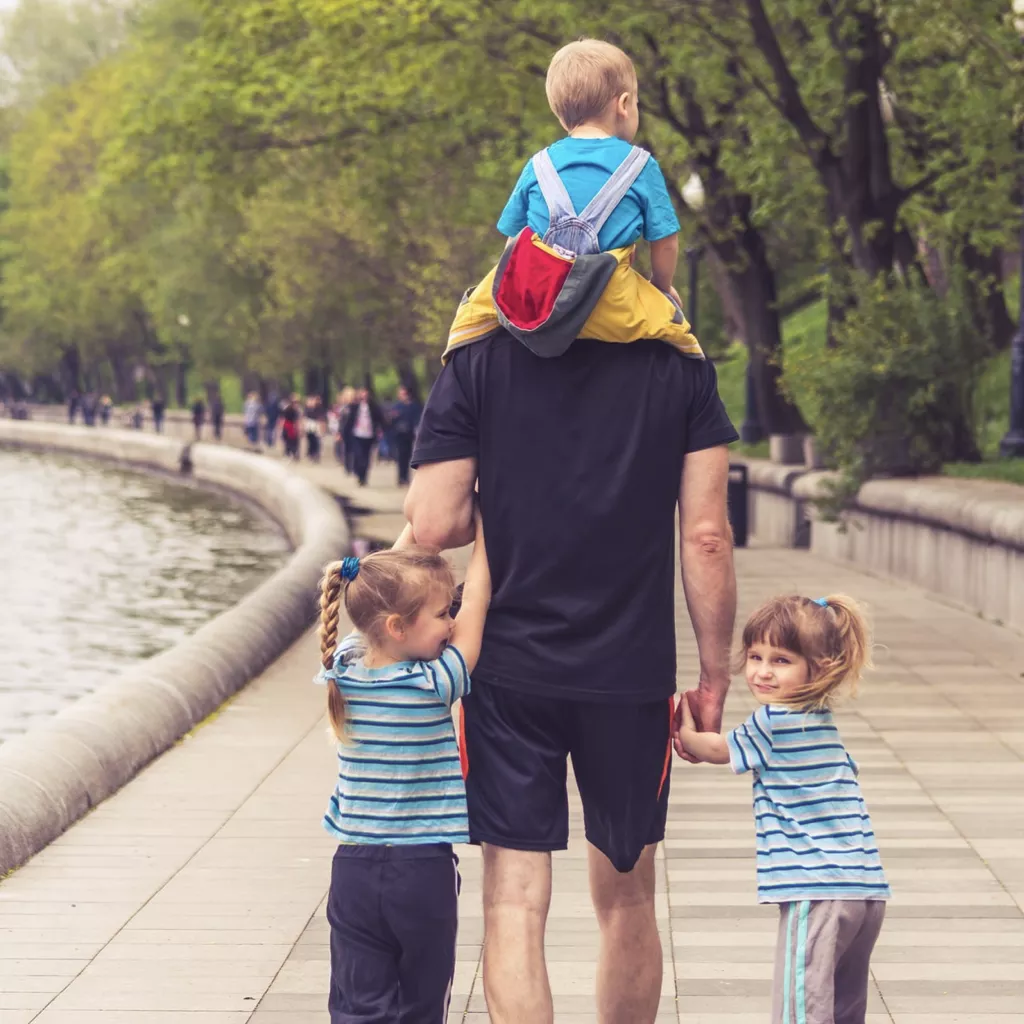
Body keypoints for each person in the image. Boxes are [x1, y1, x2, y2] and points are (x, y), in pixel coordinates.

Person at [405, 294, 738, 1018]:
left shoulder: (479, 355)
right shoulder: (677, 361)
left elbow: (433, 521)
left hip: (506, 670)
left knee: (515, 901)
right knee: (627, 896)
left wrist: (502, 495)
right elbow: (706, 535)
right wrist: (715, 675)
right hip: (631, 673)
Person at [677, 595, 890, 1024]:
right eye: (756, 656)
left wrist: (683, 726)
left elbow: (714, 749)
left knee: (801, 1008)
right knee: (845, 1006)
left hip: (815, 889)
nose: (762, 671)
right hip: (866, 891)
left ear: (821, 667)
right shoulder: (822, 721)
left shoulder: (773, 722)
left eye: (781, 660)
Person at [315, 513, 492, 1024]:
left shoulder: (344, 668)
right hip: (422, 871)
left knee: (356, 1003)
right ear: (398, 626)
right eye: (442, 613)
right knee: (421, 1002)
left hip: (352, 871)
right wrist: (488, 530)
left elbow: (373, 595)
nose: (452, 622)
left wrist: (418, 523)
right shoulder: (434, 684)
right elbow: (477, 599)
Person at [443, 39, 702, 364]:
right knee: (684, 343)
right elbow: (665, 242)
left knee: (470, 318)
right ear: (624, 104)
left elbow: (514, 245)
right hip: (614, 303)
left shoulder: (538, 165)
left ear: (562, 115)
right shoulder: (641, 166)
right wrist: (662, 287)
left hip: (543, 301)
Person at [348, 387, 384, 487]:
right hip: (357, 434)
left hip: (369, 435)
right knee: (358, 455)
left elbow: (380, 419)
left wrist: (381, 430)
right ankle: (359, 474)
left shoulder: (373, 407)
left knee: (367, 457)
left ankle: (364, 477)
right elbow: (349, 421)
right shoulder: (355, 407)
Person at [389, 385, 422, 487]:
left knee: (407, 456)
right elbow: (391, 421)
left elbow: (417, 419)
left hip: (409, 434)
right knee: (400, 457)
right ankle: (401, 477)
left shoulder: (414, 406)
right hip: (399, 435)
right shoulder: (397, 406)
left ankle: (406, 477)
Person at [280, 394, 301, 460]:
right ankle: (288, 453)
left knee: (295, 441)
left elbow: (298, 419)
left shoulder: (298, 410)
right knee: (288, 440)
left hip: (294, 426)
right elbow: (283, 418)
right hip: (288, 426)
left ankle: (294, 453)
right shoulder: (288, 409)